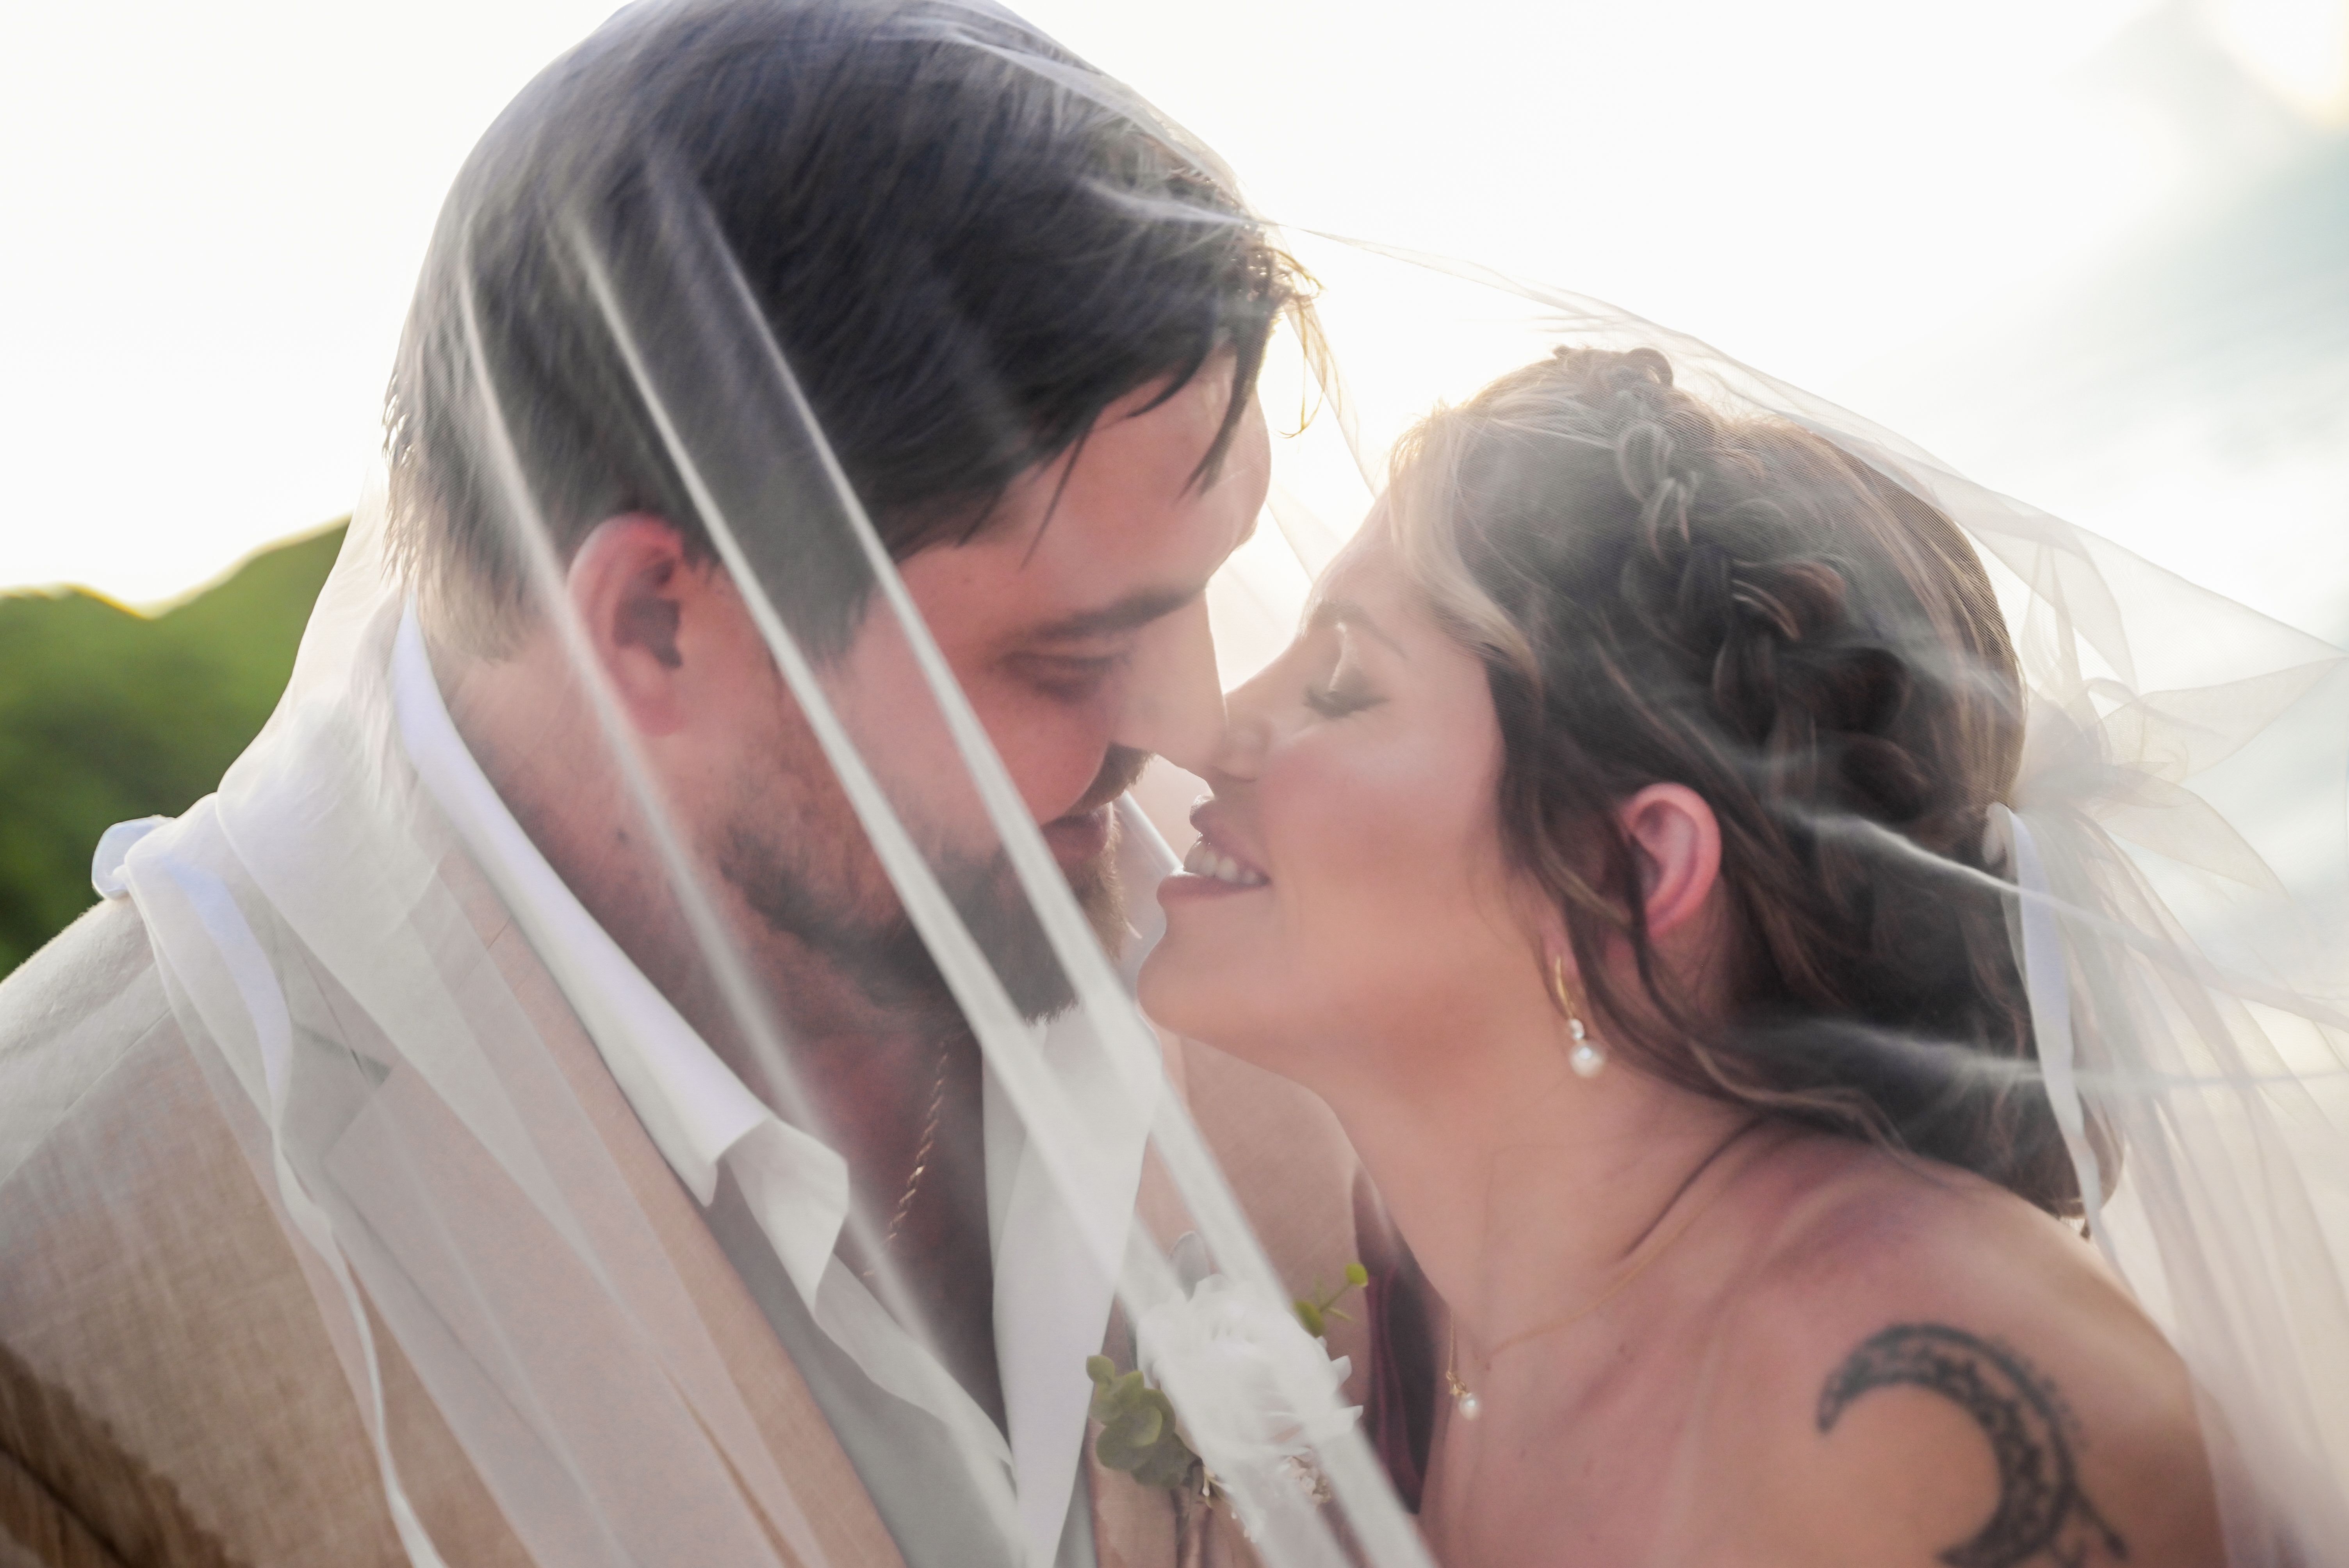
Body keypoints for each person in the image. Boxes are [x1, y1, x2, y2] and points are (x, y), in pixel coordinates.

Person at [0, 4, 1379, 1566]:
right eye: (1067, 656)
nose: (1191, 728)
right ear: (655, 622)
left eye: (1201, 587)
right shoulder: (58, 1311)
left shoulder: (1293, 974)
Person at [1141, 343, 2318, 1566]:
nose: (1213, 727)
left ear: (1634, 871)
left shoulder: (1912, 1396)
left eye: (1340, 685)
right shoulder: (1427, 1302)